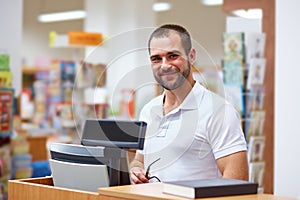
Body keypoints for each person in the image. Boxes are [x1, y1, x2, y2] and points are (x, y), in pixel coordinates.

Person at [130, 24, 248, 184]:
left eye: (173, 56)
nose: (165, 65)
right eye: (156, 58)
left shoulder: (219, 111)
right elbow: (140, 160)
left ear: (191, 56)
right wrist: (136, 169)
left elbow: (237, 183)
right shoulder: (148, 110)